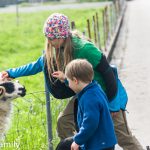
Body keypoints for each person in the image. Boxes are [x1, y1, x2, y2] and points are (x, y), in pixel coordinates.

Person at [1, 13, 143, 150]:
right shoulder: (55, 49)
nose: (48, 41)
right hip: (84, 94)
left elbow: (109, 74)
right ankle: (79, 145)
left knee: (122, 136)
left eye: (51, 38)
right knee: (63, 123)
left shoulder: (84, 48)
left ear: (62, 36)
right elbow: (36, 65)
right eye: (47, 37)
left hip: (107, 94)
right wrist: (12, 72)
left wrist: (112, 105)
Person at [53, 59, 117, 150]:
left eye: (68, 81)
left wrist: (78, 140)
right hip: (102, 141)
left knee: (65, 146)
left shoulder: (90, 98)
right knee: (64, 145)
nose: (68, 84)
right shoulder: (95, 88)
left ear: (75, 80)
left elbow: (90, 123)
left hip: (100, 145)